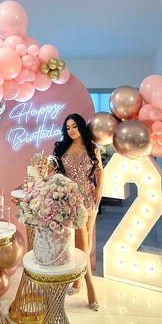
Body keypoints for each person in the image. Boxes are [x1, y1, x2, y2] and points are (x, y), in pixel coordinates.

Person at [53, 113, 104, 311]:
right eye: (68, 128)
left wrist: (99, 188)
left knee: (87, 238)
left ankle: (79, 281)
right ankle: (88, 286)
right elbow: (56, 172)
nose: (71, 130)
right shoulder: (61, 148)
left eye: (74, 126)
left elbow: (100, 170)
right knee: (79, 241)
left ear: (81, 127)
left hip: (89, 196)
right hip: (71, 199)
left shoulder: (93, 148)